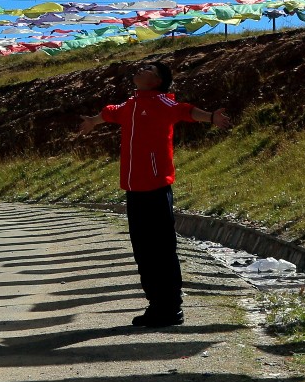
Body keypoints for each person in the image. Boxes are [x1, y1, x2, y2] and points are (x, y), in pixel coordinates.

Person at [75, 62, 231, 327]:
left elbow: (186, 111)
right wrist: (93, 121)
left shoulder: (162, 102)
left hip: (157, 189)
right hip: (133, 190)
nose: (140, 69)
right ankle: (156, 305)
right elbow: (110, 113)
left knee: (161, 249)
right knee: (143, 251)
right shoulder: (130, 106)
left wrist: (212, 117)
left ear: (157, 81)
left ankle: (172, 307)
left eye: (149, 69)